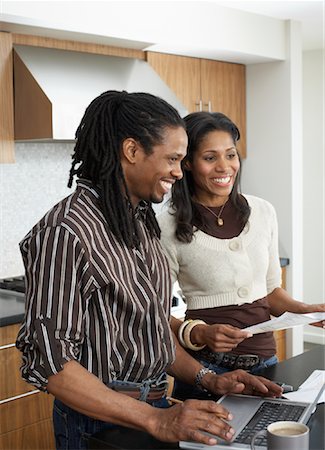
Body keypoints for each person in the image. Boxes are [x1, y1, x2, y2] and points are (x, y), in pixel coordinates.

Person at [16, 92, 281, 450]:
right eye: (172, 159)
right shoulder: (66, 232)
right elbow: (52, 365)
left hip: (154, 406)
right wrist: (156, 419)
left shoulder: (140, 220)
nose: (177, 171)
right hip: (98, 424)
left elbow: (151, 331)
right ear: (131, 151)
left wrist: (209, 379)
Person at [157, 111, 325, 400]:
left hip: (266, 366)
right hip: (206, 371)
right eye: (210, 158)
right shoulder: (166, 226)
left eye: (231, 155)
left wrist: (304, 310)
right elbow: (156, 315)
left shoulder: (263, 212)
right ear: (188, 163)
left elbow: (270, 292)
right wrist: (199, 333)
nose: (225, 167)